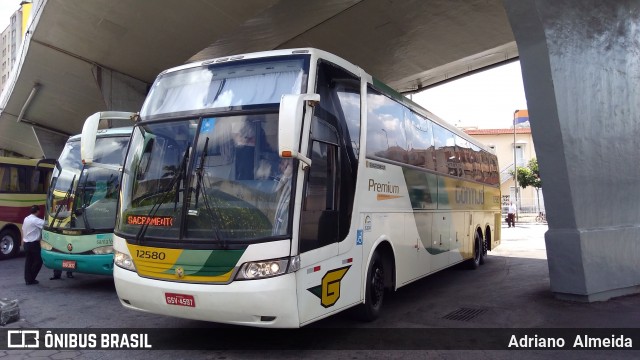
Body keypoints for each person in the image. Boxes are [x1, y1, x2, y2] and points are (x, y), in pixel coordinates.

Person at [23, 205, 44, 285]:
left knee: (28, 262)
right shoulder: (35, 220)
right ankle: (31, 278)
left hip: (26, 243)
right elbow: (46, 224)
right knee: (38, 261)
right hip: (33, 244)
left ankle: (27, 279)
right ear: (38, 211)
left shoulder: (26, 218)